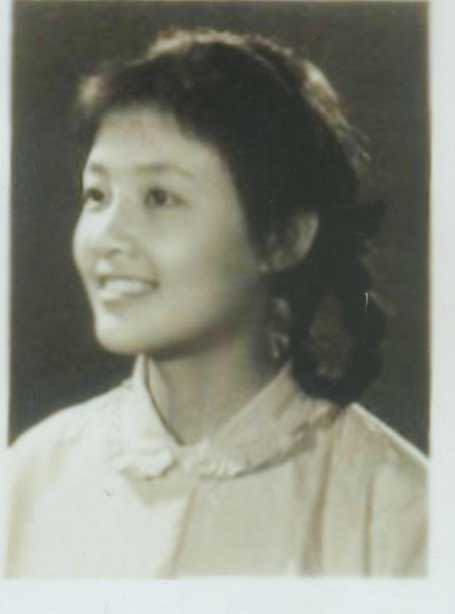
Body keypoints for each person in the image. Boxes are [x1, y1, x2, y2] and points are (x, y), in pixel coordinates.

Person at [2, 28, 426, 577]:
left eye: (160, 197)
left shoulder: (400, 511)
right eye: (98, 195)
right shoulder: (30, 478)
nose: (107, 237)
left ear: (281, 239)